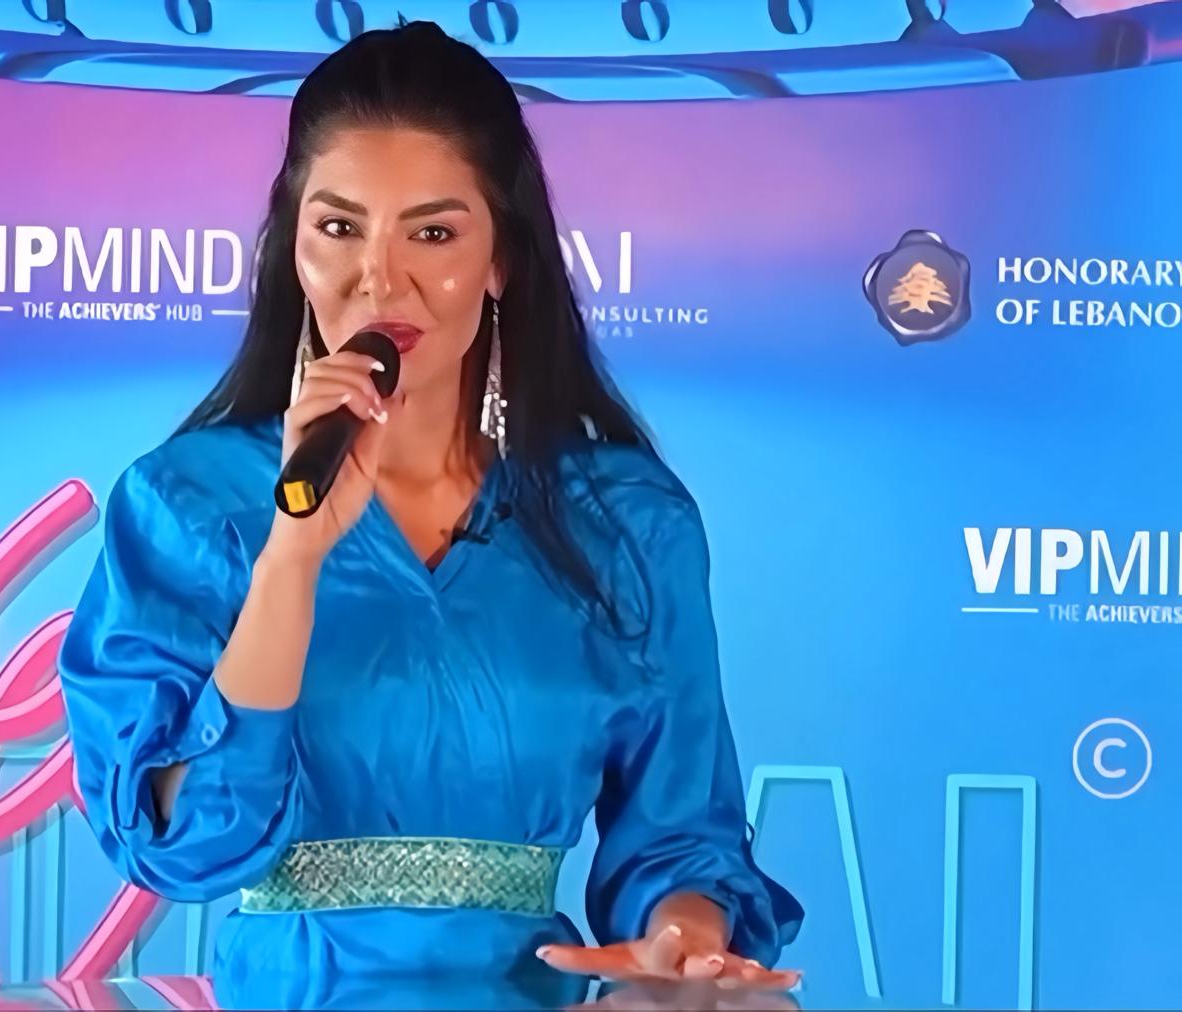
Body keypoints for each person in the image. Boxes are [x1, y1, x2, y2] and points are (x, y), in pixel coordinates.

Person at [57, 18, 804, 1009]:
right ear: (292, 248)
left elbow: (679, 836)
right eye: (339, 228)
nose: (381, 276)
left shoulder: (624, 520)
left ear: (501, 261)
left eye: (434, 234)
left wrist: (684, 940)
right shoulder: (187, 505)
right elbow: (182, 847)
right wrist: (292, 557)